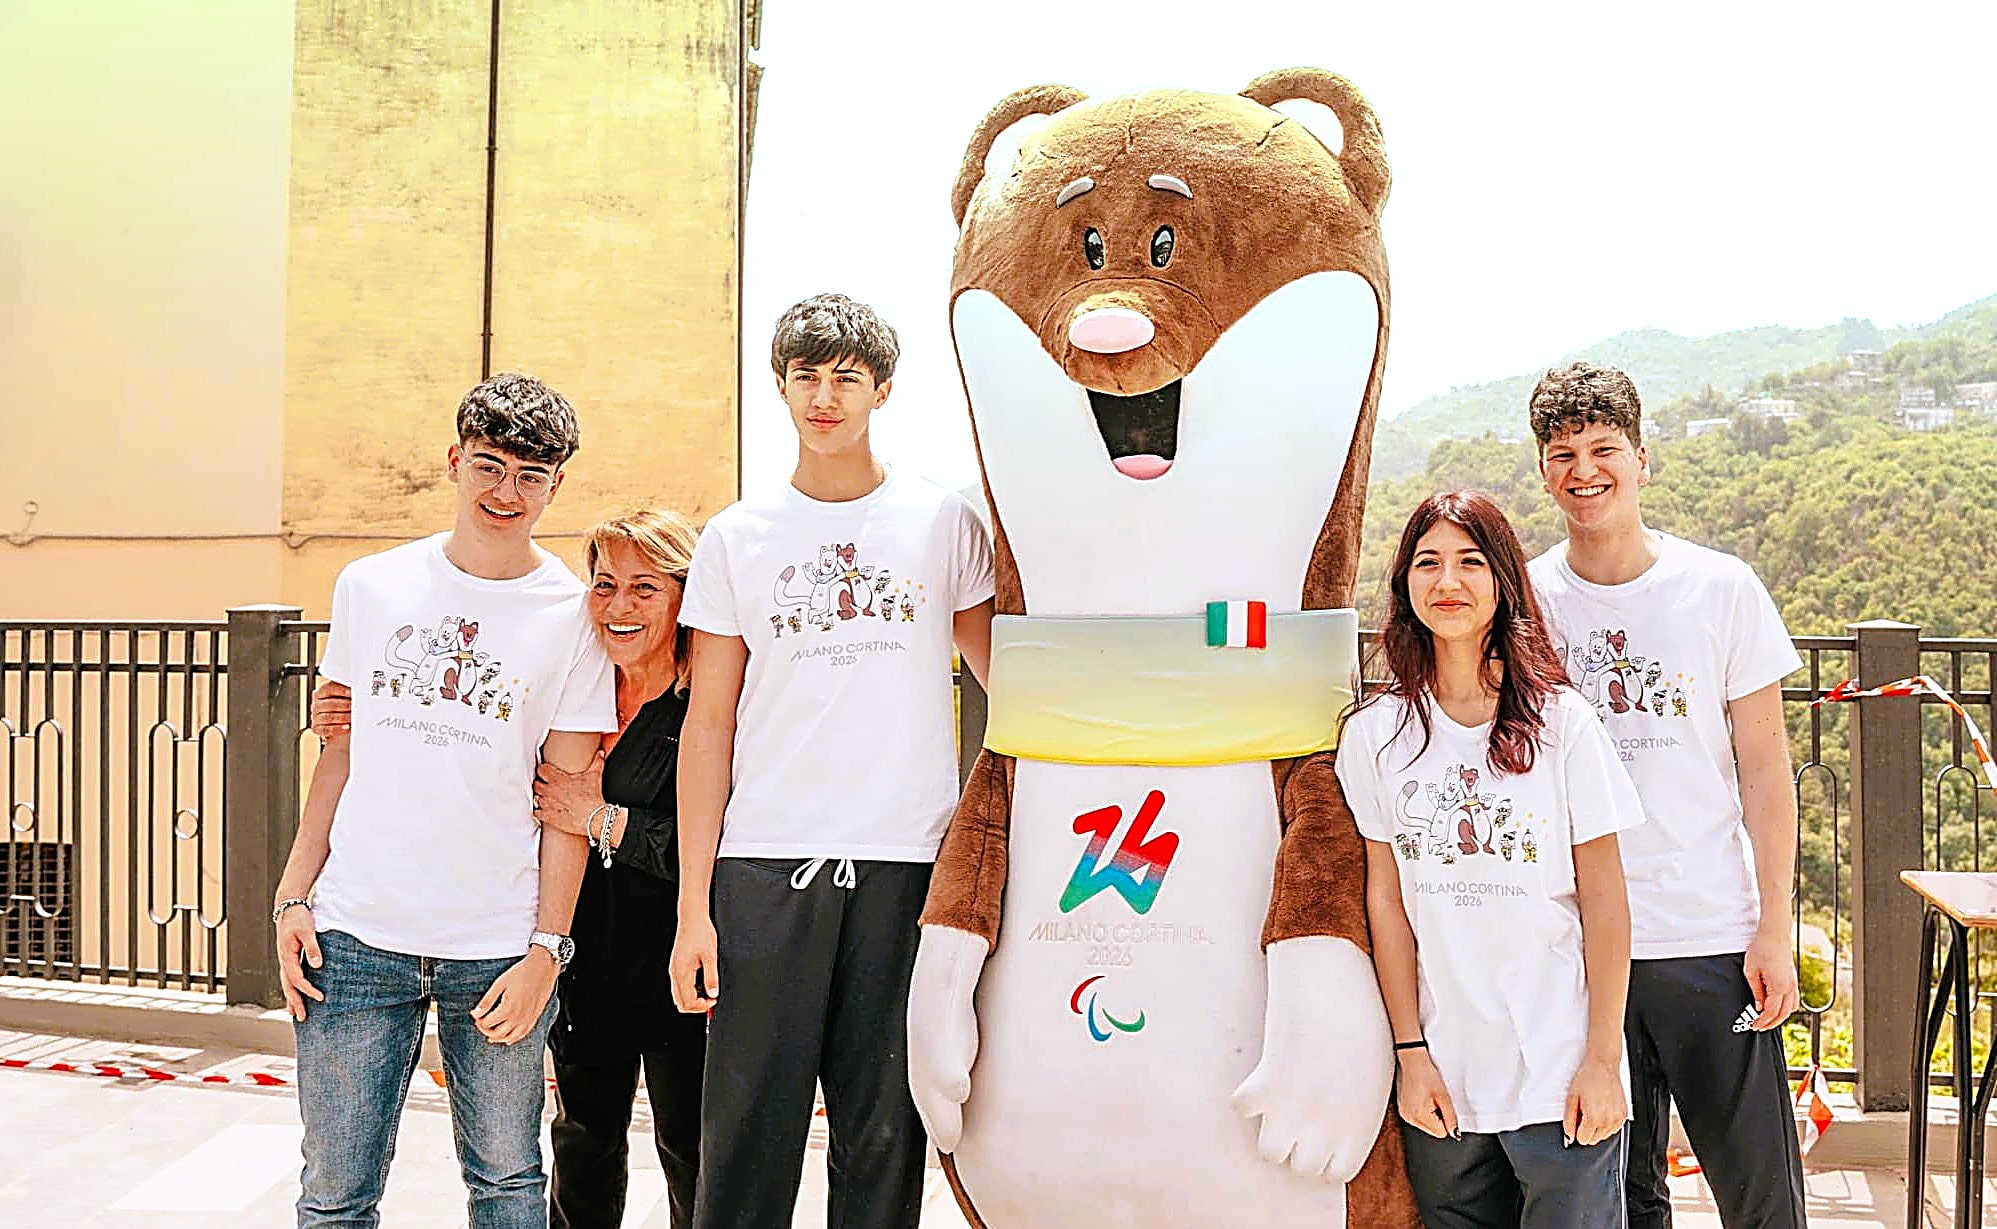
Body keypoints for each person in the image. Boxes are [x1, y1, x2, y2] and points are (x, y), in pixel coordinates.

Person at [667, 292, 996, 1229]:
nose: (823, 397)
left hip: (905, 862)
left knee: (885, 1132)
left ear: (881, 389)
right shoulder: (737, 535)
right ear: (780, 386)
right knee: (746, 1137)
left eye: (846, 378)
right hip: (765, 864)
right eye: (805, 376)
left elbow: (1007, 682)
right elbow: (708, 726)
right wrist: (693, 909)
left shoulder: (940, 521)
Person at [275, 372, 615, 1228]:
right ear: (455, 462)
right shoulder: (370, 584)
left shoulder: (571, 616)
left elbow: (566, 805)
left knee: (508, 1183)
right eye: (490, 466)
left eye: (530, 475)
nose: (507, 492)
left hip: (496, 949)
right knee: (334, 1194)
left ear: (556, 485)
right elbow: (340, 751)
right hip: (354, 940)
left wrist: (546, 953)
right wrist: (291, 894)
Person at [311, 507, 708, 1228]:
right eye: (605, 585)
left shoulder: (708, 701)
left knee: (691, 1148)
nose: (618, 606)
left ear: (684, 596)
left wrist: (602, 819)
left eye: (645, 588)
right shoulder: (578, 663)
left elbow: (720, 838)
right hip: (585, 950)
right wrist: (351, 702)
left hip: (676, 951)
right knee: (583, 1143)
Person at [1524, 362, 1806, 1228]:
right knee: (1626, 1198)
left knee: (1760, 1193)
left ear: (1641, 460)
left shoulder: (1719, 588)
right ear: (1542, 471)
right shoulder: (1525, 601)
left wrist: (1773, 926)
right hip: (1579, 950)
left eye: (1603, 449)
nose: (1584, 470)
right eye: (1562, 453)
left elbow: (1765, 771)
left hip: (1709, 936)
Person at [1336, 489, 1641, 1229]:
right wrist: (1410, 1053)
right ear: (1405, 584)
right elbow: (1388, 905)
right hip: (1444, 1083)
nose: (1447, 581)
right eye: (1427, 562)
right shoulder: (1374, 735)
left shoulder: (1563, 725)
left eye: (1470, 562)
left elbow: (1605, 902)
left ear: (1503, 580)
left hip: (1560, 1077)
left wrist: (1602, 1060)